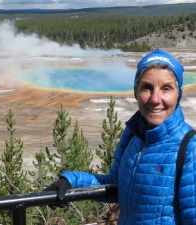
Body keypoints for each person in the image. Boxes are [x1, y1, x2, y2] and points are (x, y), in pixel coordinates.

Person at [44, 49, 196, 224]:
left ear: (179, 94)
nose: (155, 99)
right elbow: (115, 185)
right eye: (147, 87)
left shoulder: (189, 147)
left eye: (166, 89)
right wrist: (71, 181)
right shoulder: (133, 135)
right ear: (136, 92)